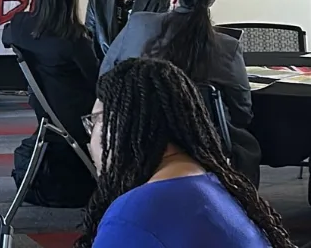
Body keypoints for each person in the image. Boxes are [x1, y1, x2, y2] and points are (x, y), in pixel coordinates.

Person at [76, 58, 293, 248]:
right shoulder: (219, 184)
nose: (90, 136)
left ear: (116, 126)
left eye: (94, 121)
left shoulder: (133, 215)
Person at [99, 0, 260, 185]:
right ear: (211, 0)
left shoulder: (137, 24)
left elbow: (106, 80)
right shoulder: (227, 47)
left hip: (135, 138)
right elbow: (243, 112)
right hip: (203, 146)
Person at [2, 0, 98, 207]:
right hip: (78, 117)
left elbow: (6, 38)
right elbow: (98, 80)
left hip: (45, 108)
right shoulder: (74, 39)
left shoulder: (21, 24)